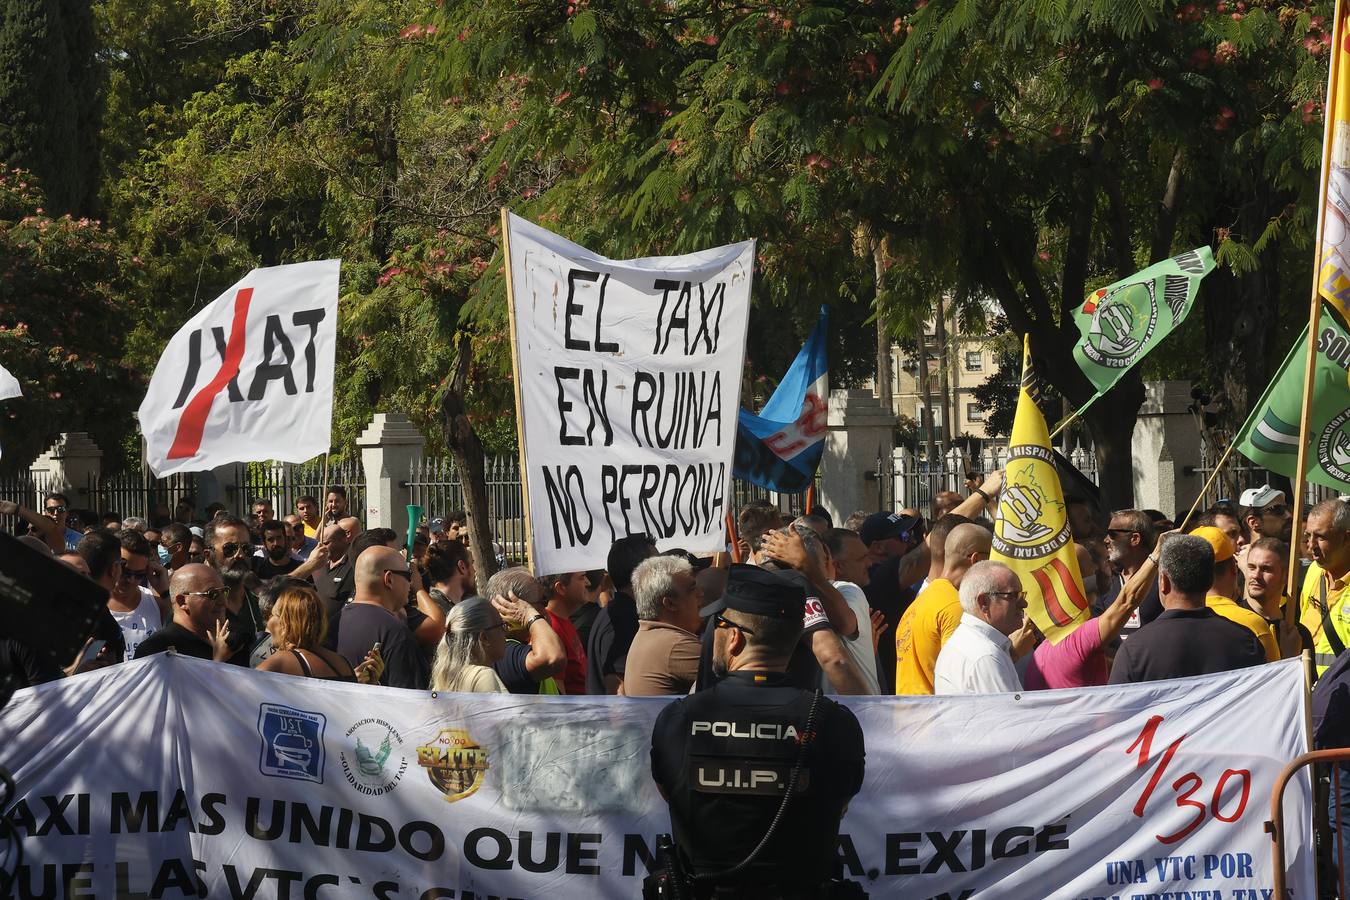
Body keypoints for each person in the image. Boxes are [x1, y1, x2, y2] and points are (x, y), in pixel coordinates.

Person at [649, 564, 864, 895]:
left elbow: (668, 792)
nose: (711, 633)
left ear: (734, 638)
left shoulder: (678, 721)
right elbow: (842, 802)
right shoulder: (835, 724)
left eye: (717, 625)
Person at [1108, 535, 1266, 684]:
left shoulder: (1135, 650)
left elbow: (1117, 710)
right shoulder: (1245, 642)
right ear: (1210, 580)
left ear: (1163, 581)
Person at [1023, 544, 1157, 690]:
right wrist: (1156, 554)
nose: (1096, 568)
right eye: (1090, 563)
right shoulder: (1077, 638)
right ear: (1072, 578)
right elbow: (1126, 602)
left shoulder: (1040, 653)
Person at [896, 523, 992, 695]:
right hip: (937, 716)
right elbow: (962, 676)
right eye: (991, 558)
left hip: (911, 715)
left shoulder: (920, 601)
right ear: (976, 559)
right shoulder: (957, 607)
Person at [332, 545, 429, 689]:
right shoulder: (397, 634)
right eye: (408, 575)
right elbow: (412, 703)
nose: (411, 583)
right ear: (389, 579)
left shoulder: (332, 624)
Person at [257, 583, 382, 683]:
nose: (267, 623)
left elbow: (243, 696)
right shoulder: (343, 663)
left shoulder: (279, 663)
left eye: (271, 615)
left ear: (285, 623)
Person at [933, 561, 1026, 694]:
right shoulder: (985, 655)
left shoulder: (971, 642)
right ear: (984, 602)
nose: (1024, 603)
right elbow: (1009, 713)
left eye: (1022, 595)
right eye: (1013, 596)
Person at [1189, 525, 1278, 662]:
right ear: (1233, 568)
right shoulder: (1253, 625)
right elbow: (1276, 681)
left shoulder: (1170, 625)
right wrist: (1291, 656)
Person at [621, 556, 703, 696]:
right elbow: (743, 681)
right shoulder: (678, 646)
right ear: (669, 604)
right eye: (692, 590)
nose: (700, 594)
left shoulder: (651, 635)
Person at [586, 533, 658, 694]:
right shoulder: (623, 618)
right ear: (641, 573)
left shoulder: (620, 611)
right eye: (658, 566)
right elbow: (618, 688)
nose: (664, 573)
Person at [484, 568, 568, 694]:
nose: (546, 608)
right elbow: (553, 658)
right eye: (543, 601)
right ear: (514, 606)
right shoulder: (504, 652)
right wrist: (530, 615)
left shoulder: (518, 646)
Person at [133, 564, 235, 663]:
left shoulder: (233, 645)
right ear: (182, 601)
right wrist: (217, 663)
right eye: (213, 594)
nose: (223, 602)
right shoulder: (155, 651)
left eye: (224, 592)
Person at [822, 527, 880, 694]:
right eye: (862, 558)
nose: (869, 563)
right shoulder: (849, 589)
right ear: (837, 566)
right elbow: (846, 625)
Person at [1092, 509, 1163, 647]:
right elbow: (1096, 634)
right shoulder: (1108, 583)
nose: (1106, 540)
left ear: (1135, 539)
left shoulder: (1163, 580)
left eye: (1112, 534)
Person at [1300, 498, 1350, 679]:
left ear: (1346, 538)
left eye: (1320, 537)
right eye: (1308, 536)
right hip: (1306, 691)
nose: (1311, 546)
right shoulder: (1314, 570)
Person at [1243, 537, 1311, 659]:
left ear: (1286, 576)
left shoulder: (1297, 634)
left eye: (1266, 569)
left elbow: (1307, 678)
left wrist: (1292, 657)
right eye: (1251, 567)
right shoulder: (1232, 622)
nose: (1256, 575)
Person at [108, 530, 169, 660]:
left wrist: (164, 591)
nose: (130, 580)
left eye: (138, 574)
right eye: (125, 571)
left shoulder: (157, 603)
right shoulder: (94, 605)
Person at [430, 596, 510, 693]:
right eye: (501, 625)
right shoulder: (482, 676)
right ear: (484, 638)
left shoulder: (444, 680)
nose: (506, 632)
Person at [542, 570, 591, 694]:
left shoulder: (563, 620)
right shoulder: (551, 628)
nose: (588, 583)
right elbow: (558, 691)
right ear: (561, 588)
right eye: (582, 578)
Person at [312, 522, 352, 616]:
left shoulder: (353, 564)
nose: (321, 548)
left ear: (343, 540)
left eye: (326, 543)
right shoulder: (319, 565)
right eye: (320, 544)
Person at [423, 541, 476, 613]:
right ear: (462, 567)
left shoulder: (433, 606)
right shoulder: (437, 612)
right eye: (472, 563)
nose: (474, 570)